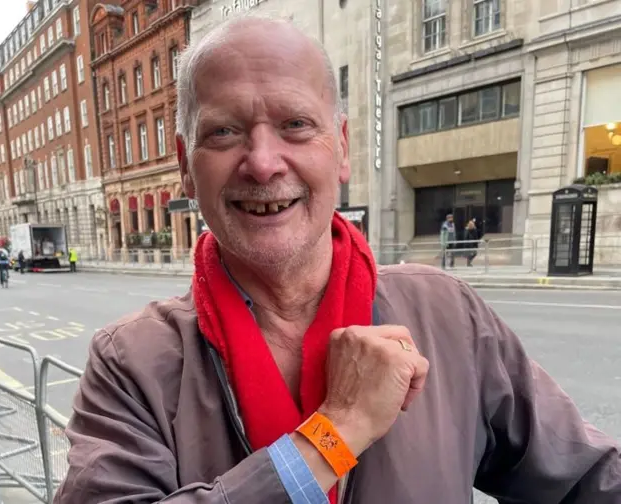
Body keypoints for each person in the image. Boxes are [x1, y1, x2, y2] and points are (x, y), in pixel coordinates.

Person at [53, 16, 621, 504]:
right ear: (185, 163)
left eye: (295, 125)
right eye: (224, 132)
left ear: (343, 147)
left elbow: (586, 476)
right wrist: (336, 433)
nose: (263, 162)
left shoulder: (450, 315)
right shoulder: (130, 365)